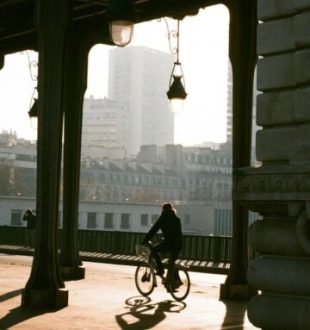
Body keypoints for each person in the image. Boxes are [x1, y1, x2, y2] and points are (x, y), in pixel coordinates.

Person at [142, 202, 183, 279]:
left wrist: (145, 240)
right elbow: (176, 233)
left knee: (154, 250)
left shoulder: (163, 218)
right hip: (178, 245)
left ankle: (161, 269)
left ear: (163, 210)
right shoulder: (177, 219)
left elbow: (153, 230)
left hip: (169, 244)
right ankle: (173, 282)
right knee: (171, 262)